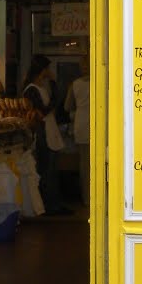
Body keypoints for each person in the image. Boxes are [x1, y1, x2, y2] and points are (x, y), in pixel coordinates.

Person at [21, 53, 66, 215]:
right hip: (43, 134)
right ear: (43, 69)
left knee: (50, 170)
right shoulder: (32, 90)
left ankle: (53, 204)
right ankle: (49, 205)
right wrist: (53, 84)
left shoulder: (39, 88)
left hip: (48, 131)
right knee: (47, 170)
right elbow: (43, 111)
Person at [64, 55, 90, 212]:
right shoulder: (102, 81)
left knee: (84, 165)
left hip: (81, 125)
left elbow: (67, 107)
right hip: (99, 124)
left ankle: (87, 198)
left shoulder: (74, 85)